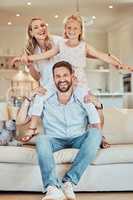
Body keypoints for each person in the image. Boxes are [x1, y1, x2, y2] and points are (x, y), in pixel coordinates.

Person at [17, 61, 103, 200]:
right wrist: (30, 95)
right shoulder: (45, 95)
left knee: (96, 133)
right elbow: (21, 121)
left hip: (78, 138)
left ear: (72, 76)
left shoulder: (82, 94)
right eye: (58, 76)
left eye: (65, 75)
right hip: (54, 139)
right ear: (53, 78)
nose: (62, 79)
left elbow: (95, 121)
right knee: (42, 139)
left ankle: (68, 182)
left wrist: (99, 136)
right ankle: (52, 188)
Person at [12, 17, 105, 142]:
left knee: (91, 105)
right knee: (37, 104)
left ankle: (98, 135)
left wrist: (106, 57)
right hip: (48, 89)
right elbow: (37, 77)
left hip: (68, 87)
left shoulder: (58, 41)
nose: (41, 28)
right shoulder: (32, 51)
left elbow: (79, 50)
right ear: (31, 32)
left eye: (43, 25)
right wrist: (28, 63)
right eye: (36, 27)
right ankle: (33, 129)